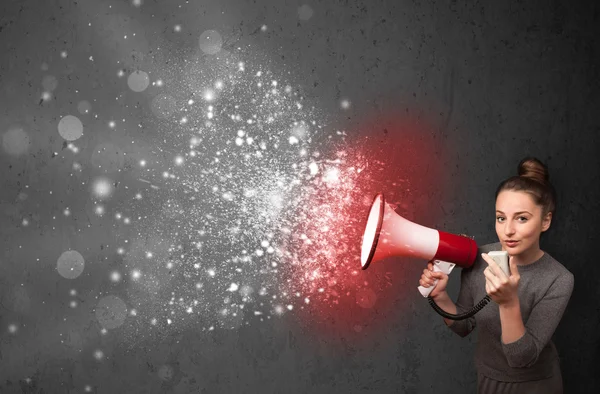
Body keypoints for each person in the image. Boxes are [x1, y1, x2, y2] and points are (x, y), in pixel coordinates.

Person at [419, 157, 574, 394]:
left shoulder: (559, 279)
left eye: (522, 218)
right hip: (488, 380)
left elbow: (522, 358)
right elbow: (464, 326)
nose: (508, 230)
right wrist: (441, 297)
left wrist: (508, 304)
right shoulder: (479, 257)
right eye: (501, 218)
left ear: (545, 221)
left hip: (535, 385)